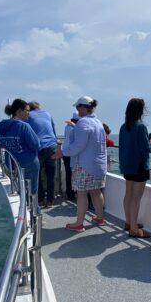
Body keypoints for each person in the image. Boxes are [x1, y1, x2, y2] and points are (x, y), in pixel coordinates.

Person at [62, 96, 107, 232]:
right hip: (99, 165)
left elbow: (78, 145)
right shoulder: (98, 122)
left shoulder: (83, 123)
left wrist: (62, 152)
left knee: (81, 193)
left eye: (77, 107)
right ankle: (100, 218)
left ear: (82, 107)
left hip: (84, 165)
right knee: (96, 192)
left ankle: (79, 224)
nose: (77, 110)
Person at [119, 98, 151, 238]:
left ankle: (129, 222)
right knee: (136, 198)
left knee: (128, 194)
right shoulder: (141, 127)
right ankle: (134, 228)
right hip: (139, 166)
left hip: (127, 165)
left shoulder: (123, 127)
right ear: (140, 111)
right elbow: (145, 149)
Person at [0, 99, 41, 201]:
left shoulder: (1, 126)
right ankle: (32, 209)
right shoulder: (24, 126)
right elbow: (36, 145)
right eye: (27, 110)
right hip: (28, 165)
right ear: (19, 111)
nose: (29, 113)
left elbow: (2, 143)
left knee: (19, 191)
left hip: (11, 165)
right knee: (31, 193)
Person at [27, 101, 58, 208]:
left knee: (37, 175)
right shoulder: (47, 114)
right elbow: (53, 130)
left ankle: (40, 200)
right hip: (52, 146)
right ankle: (50, 201)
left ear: (29, 109)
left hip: (39, 148)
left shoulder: (28, 115)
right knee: (50, 176)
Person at [62, 113, 78, 201]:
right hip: (73, 153)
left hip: (66, 152)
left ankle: (70, 194)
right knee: (75, 174)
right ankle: (76, 193)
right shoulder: (76, 127)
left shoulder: (67, 127)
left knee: (68, 174)